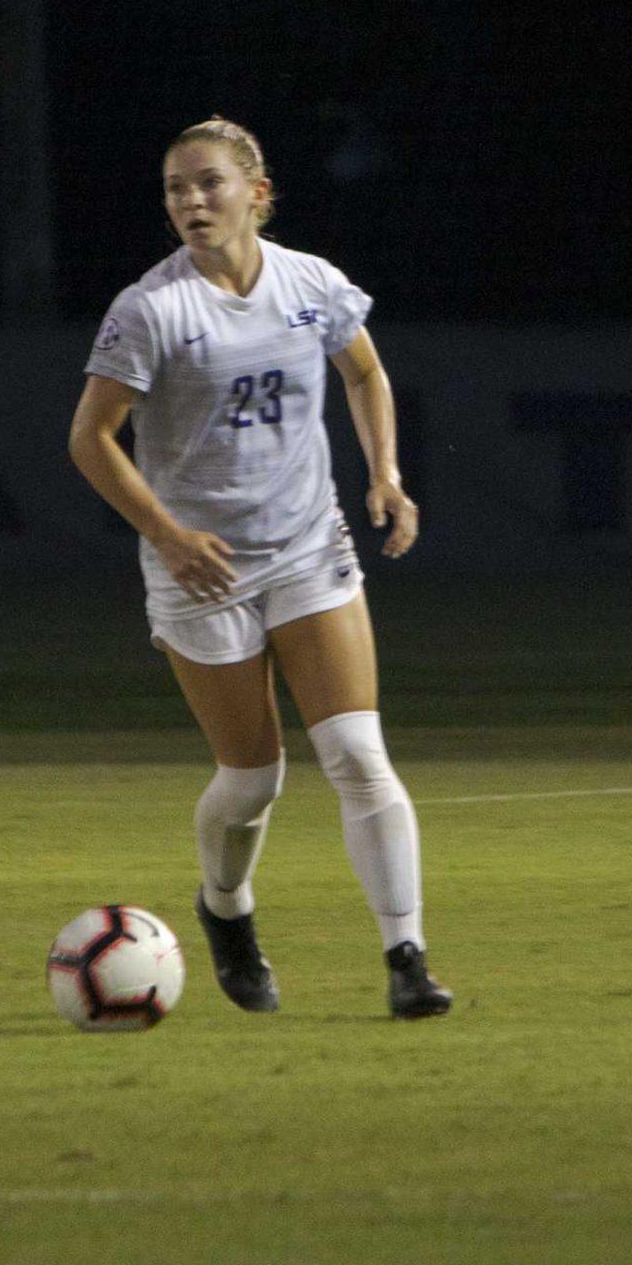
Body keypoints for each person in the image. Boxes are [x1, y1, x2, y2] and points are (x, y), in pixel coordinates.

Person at [68, 115, 452, 1021]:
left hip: (308, 549)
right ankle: (225, 910)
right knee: (253, 780)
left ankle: (407, 959)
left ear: (257, 194)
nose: (190, 202)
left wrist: (386, 474)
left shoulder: (309, 283)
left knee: (357, 754)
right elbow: (90, 439)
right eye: (174, 190)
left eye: (208, 184)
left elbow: (363, 372)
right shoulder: (151, 308)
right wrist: (167, 535)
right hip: (200, 570)